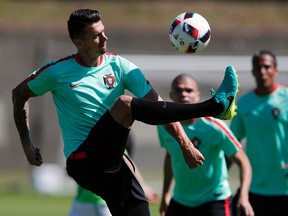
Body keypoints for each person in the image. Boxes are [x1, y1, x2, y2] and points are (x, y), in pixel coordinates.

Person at [12, 9, 238, 215]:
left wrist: (185, 143)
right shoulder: (57, 72)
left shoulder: (121, 66)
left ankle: (215, 107)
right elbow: (19, 94)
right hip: (83, 160)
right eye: (96, 35)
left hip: (114, 164)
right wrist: (26, 142)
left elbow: (159, 107)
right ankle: (213, 107)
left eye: (104, 31)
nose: (104, 38)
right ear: (78, 42)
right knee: (124, 104)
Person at [158, 74, 254, 216]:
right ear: (171, 95)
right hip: (181, 201)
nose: (184, 94)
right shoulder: (164, 125)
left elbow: (244, 162)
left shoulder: (214, 127)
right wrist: (166, 193)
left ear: (198, 96)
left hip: (215, 201)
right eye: (179, 90)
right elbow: (170, 156)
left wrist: (244, 197)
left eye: (189, 90)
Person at [230, 50, 288, 216]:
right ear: (253, 71)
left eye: (267, 67)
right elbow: (232, 144)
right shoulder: (243, 104)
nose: (263, 71)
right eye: (258, 67)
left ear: (275, 70)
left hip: (284, 188)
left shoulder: (286, 98)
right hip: (254, 188)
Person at [69, 136, 159, 216]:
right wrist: (143, 186)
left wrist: (143, 186)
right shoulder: (105, 138)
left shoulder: (99, 138)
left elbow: (128, 163)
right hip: (89, 202)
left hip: (95, 203)